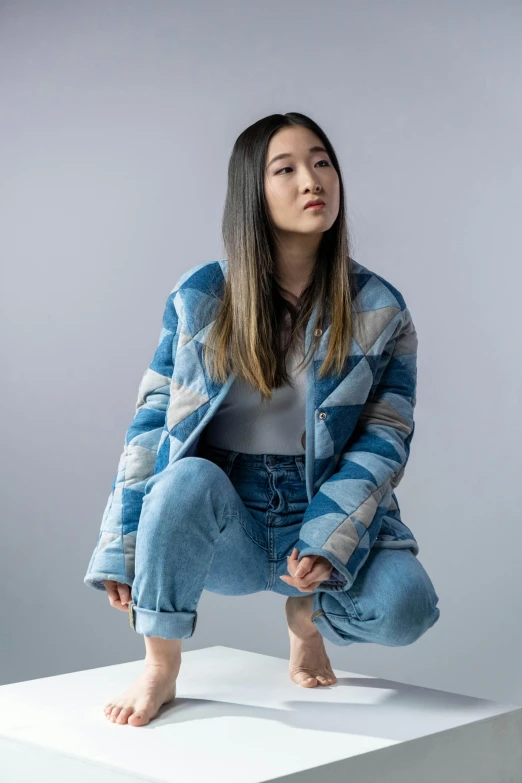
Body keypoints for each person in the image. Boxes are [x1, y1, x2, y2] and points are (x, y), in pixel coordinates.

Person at [85, 112, 440, 727]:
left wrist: (331, 535)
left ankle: (307, 616)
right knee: (183, 480)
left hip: (323, 501)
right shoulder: (200, 296)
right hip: (228, 521)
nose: (313, 180)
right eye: (287, 168)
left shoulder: (381, 307)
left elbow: (385, 436)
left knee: (408, 607)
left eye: (322, 161)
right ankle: (161, 665)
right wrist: (121, 544)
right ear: (253, 191)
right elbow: (152, 423)